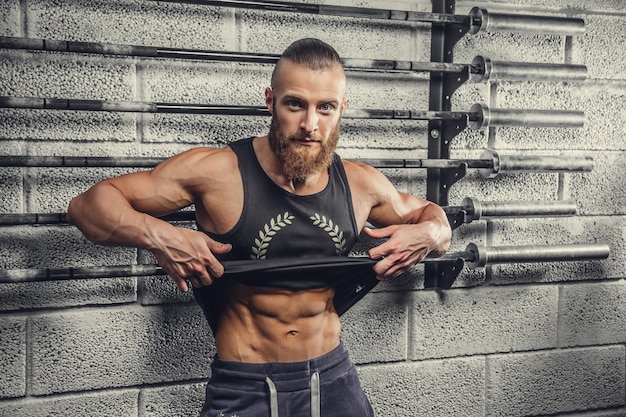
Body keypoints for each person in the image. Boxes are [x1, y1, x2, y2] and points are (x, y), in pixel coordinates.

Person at [67, 38, 452, 417]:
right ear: (270, 101)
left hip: (333, 378)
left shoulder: (360, 184)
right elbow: (86, 207)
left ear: (342, 110)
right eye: (295, 104)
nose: (309, 124)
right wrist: (161, 237)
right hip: (245, 383)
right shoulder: (219, 173)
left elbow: (433, 218)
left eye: (326, 108)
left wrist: (431, 234)